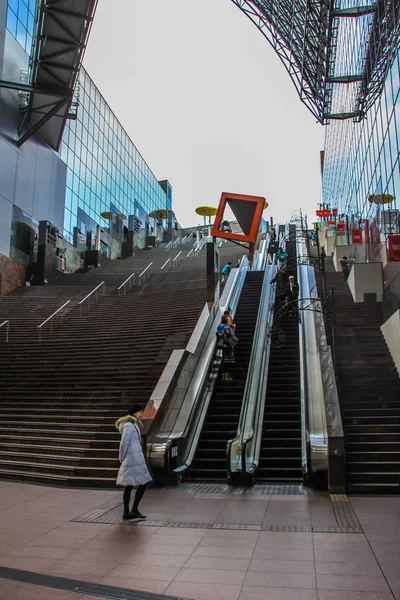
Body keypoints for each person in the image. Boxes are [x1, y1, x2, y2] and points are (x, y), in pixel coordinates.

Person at [116, 404, 152, 521]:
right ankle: (129, 511)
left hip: (136, 458)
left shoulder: (132, 424)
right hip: (132, 459)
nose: (141, 414)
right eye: (140, 412)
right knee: (133, 484)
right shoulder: (129, 425)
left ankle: (131, 511)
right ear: (135, 413)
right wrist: (121, 457)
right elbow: (124, 442)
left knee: (133, 484)